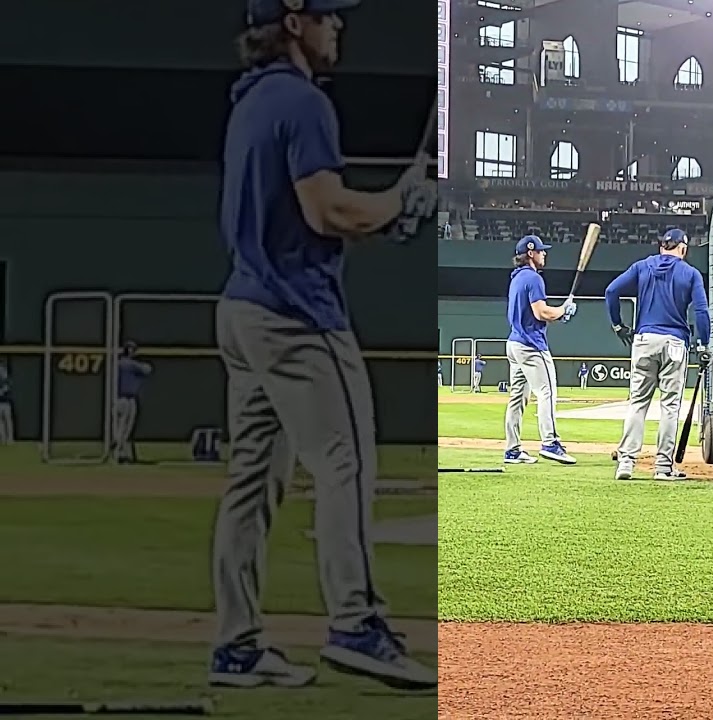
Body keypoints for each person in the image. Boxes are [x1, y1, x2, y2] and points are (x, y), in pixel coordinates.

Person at [208, 0, 435, 692]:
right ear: (294, 23)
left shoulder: (250, 101)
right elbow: (328, 209)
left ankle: (237, 645)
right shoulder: (303, 103)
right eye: (329, 14)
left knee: (250, 486)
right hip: (297, 319)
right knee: (346, 463)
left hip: (243, 310)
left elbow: (312, 215)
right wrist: (399, 201)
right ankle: (356, 625)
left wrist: (386, 210)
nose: (339, 25)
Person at [605, 228, 711, 480]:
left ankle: (626, 463)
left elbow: (611, 291)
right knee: (670, 406)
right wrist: (703, 345)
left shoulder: (642, 266)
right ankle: (663, 467)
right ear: (683, 249)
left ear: (661, 246)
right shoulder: (691, 273)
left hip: (644, 339)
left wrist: (618, 325)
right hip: (675, 341)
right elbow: (702, 312)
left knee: (637, 402)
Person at [503, 234, 578, 465]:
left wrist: (558, 313)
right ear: (530, 253)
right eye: (541, 251)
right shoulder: (533, 278)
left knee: (517, 398)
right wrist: (563, 311)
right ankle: (550, 443)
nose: (544, 254)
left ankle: (512, 450)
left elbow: (537, 313)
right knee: (547, 392)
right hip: (531, 345)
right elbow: (541, 312)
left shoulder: (516, 277)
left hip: (514, 343)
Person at [113, 342, 152, 463]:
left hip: (117, 399)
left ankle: (119, 451)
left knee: (119, 428)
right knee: (125, 430)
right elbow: (148, 369)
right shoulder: (130, 364)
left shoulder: (117, 363)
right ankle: (121, 454)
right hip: (127, 400)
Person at [0, 362, 12, 445]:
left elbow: (5, 389)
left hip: (6, 403)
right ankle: (3, 438)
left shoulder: (7, 380)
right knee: (0, 421)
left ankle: (10, 438)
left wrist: (2, 390)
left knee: (8, 420)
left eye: (2, 370)